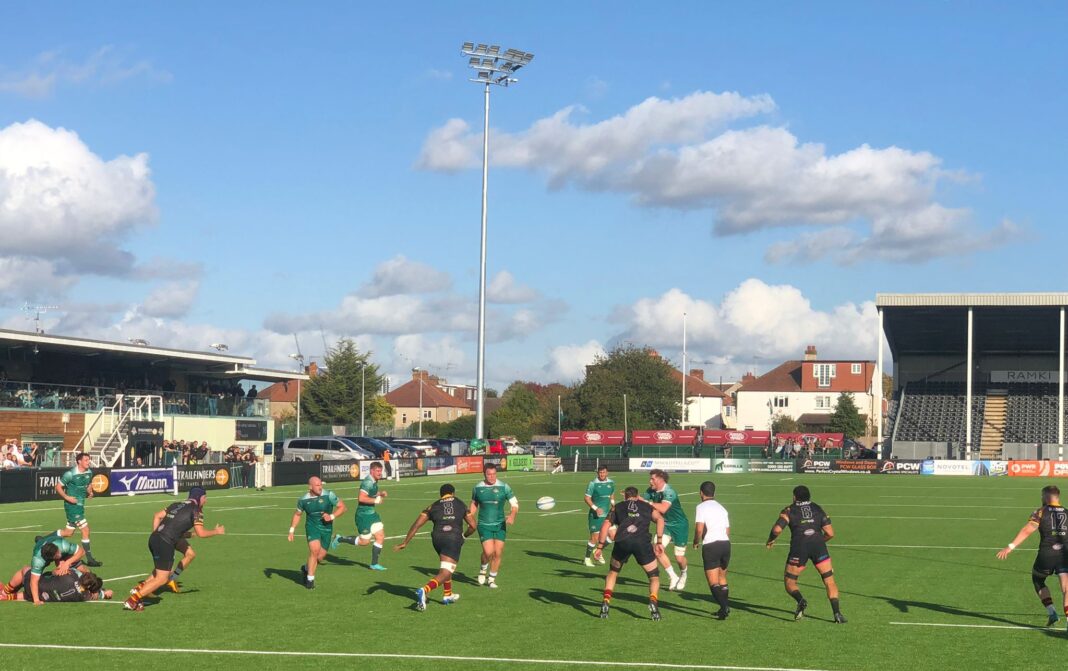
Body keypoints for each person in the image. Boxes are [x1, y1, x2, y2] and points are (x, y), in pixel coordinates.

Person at [123, 486, 225, 611]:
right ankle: (133, 599)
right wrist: (217, 531)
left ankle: (148, 585)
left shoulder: (177, 504)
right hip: (166, 541)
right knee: (162, 578)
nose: (206, 501)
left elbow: (157, 516)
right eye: (205, 498)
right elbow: (201, 533)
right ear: (199, 498)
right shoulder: (197, 510)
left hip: (155, 538)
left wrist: (158, 534)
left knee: (189, 554)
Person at [766, 485, 846, 623]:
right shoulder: (818, 508)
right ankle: (837, 613)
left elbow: (777, 529)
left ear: (795, 496)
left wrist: (770, 540)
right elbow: (830, 533)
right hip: (818, 547)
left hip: (799, 548)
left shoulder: (789, 510)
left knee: (790, 581)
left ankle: (800, 600)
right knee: (829, 581)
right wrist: (820, 541)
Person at [394, 483, 478, 610]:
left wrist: (405, 542)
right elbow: (473, 526)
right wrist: (464, 536)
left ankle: (447, 594)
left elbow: (416, 525)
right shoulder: (460, 503)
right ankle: (424, 590)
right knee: (446, 571)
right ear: (453, 493)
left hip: (437, 538)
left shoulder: (433, 506)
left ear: (441, 495)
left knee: (446, 566)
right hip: (452, 538)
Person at [996, 485, 1068, 627]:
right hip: (1065, 554)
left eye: (1042, 496)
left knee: (1038, 579)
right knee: (1066, 589)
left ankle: (1051, 611)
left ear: (1046, 496)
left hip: (1046, 555)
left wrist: (1010, 547)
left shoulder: (1040, 512)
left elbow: (1028, 530)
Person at [592, 486, 665, 621]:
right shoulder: (646, 506)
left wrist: (600, 547)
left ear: (625, 496)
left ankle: (606, 602)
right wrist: (659, 541)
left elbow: (605, 525)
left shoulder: (618, 506)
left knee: (613, 572)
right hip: (642, 543)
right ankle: (653, 602)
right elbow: (660, 519)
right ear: (637, 496)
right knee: (654, 576)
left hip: (622, 542)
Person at [288, 476, 347, 589]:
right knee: (314, 550)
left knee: (320, 557)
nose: (320, 487)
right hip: (312, 527)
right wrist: (292, 530)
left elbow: (342, 507)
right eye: (317, 485)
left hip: (326, 529)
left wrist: (331, 516)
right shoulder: (303, 500)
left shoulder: (329, 495)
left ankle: (305, 569)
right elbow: (297, 514)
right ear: (310, 487)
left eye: (321, 485)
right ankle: (310, 580)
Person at [469, 462, 518, 588]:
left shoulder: (504, 487)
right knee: (488, 551)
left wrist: (512, 516)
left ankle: (491, 579)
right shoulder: (477, 488)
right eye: (489, 474)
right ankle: (482, 569)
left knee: (498, 553)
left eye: (494, 474)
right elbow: (474, 504)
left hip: (500, 525)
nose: (492, 477)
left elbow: (515, 504)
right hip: (484, 525)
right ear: (484, 474)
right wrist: (470, 517)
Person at [1, 532, 85, 605]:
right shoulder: (38, 560)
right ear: (50, 558)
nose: (59, 555)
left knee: (82, 568)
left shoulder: (62, 545)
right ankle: (6, 591)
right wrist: (36, 600)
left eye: (58, 552)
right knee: (28, 571)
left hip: (54, 545)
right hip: (42, 552)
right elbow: (34, 581)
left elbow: (82, 551)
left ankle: (93, 587)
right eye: (57, 555)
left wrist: (67, 563)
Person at [334, 462, 389, 570]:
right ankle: (340, 538)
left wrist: (380, 493)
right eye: (377, 471)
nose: (380, 473)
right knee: (364, 542)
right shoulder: (367, 482)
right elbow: (361, 498)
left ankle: (374, 564)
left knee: (380, 536)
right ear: (371, 471)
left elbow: (371, 492)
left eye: (380, 471)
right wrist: (376, 500)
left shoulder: (373, 481)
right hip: (363, 516)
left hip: (372, 514)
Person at [644, 469, 689, 590]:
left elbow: (663, 508)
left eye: (652, 479)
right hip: (665, 524)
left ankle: (684, 574)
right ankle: (673, 576)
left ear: (660, 479)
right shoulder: (650, 491)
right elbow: (642, 504)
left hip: (680, 526)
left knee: (679, 558)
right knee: (657, 549)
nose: (650, 481)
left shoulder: (669, 491)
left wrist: (645, 502)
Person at [55, 452, 102, 567]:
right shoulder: (70, 474)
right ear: (79, 461)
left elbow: (88, 485)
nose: (88, 462)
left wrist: (90, 492)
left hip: (80, 505)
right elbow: (58, 487)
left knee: (68, 532)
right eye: (86, 460)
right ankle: (90, 559)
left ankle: (47, 539)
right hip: (72, 506)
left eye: (88, 460)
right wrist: (67, 497)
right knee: (85, 530)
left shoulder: (89, 472)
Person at [692, 480, 731, 619]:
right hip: (726, 544)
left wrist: (696, 541)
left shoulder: (701, 507)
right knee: (722, 577)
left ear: (701, 493)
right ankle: (723, 608)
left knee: (713, 582)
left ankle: (724, 607)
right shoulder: (722, 508)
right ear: (714, 492)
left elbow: (699, 528)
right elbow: (727, 530)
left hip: (711, 545)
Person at [1, 566, 112, 602]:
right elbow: (96, 595)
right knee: (29, 595)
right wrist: (105, 593)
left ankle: (5, 591)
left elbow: (55, 571)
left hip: (35, 587)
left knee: (26, 569)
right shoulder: (85, 596)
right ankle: (7, 597)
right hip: (41, 597)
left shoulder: (71, 575)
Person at [583, 465, 616, 566]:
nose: (602, 474)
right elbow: (586, 498)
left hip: (608, 515)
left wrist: (613, 504)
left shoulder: (611, 483)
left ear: (607, 473)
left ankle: (598, 550)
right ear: (597, 473)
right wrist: (596, 508)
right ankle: (587, 558)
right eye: (600, 472)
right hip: (596, 516)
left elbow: (612, 495)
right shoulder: (593, 484)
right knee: (595, 538)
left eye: (604, 472)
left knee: (613, 535)